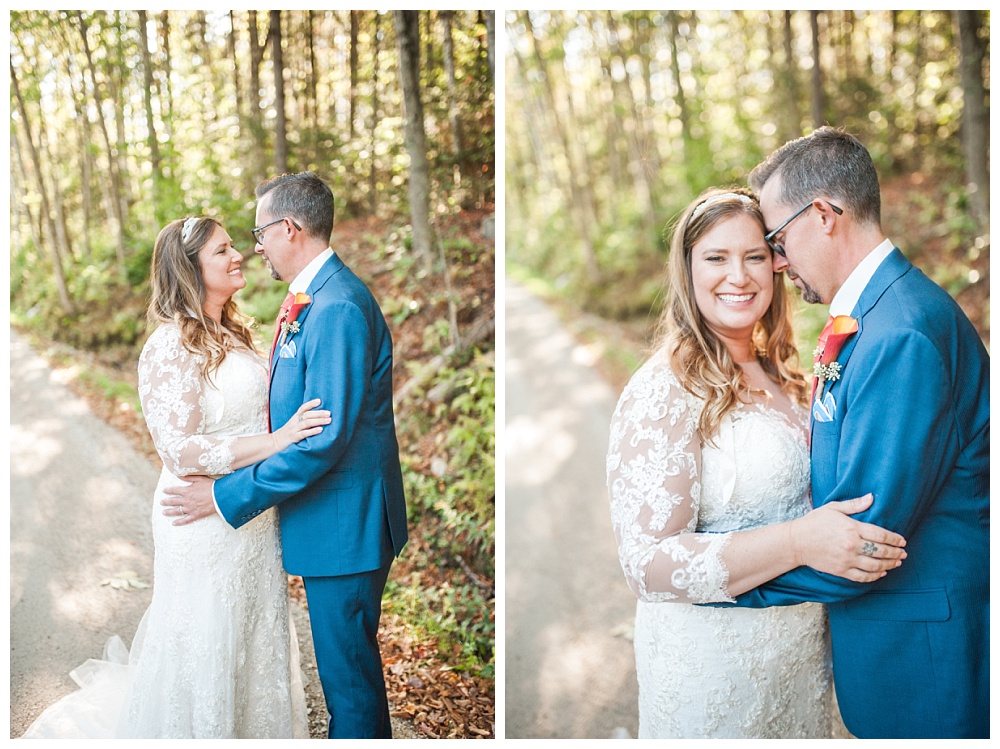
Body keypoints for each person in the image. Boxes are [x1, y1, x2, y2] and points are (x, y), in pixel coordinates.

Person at [606, 187, 908, 739]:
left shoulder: (788, 377)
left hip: (797, 660)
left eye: (755, 256)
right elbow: (647, 564)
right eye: (716, 258)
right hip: (711, 671)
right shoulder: (664, 390)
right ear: (687, 271)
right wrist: (797, 542)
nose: (738, 276)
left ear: (777, 265)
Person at [723, 126, 989, 739]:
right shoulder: (873, 313)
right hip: (899, 651)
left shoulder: (901, 332)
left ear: (822, 215)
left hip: (928, 665)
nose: (778, 262)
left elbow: (861, 542)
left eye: (776, 240)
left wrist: (718, 578)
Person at [21, 216, 332, 738]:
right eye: (222, 250)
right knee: (207, 642)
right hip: (200, 519)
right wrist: (278, 442)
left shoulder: (235, 332)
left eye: (235, 245)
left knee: (253, 639)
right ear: (189, 270)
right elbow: (180, 450)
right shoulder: (169, 346)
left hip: (250, 518)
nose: (239, 255)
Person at [159, 172, 409, 739]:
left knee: (349, 686)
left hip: (346, 528)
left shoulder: (336, 306)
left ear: (289, 228)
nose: (255, 246)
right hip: (328, 525)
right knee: (346, 677)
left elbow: (321, 439)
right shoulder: (312, 299)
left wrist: (225, 495)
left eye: (260, 232)